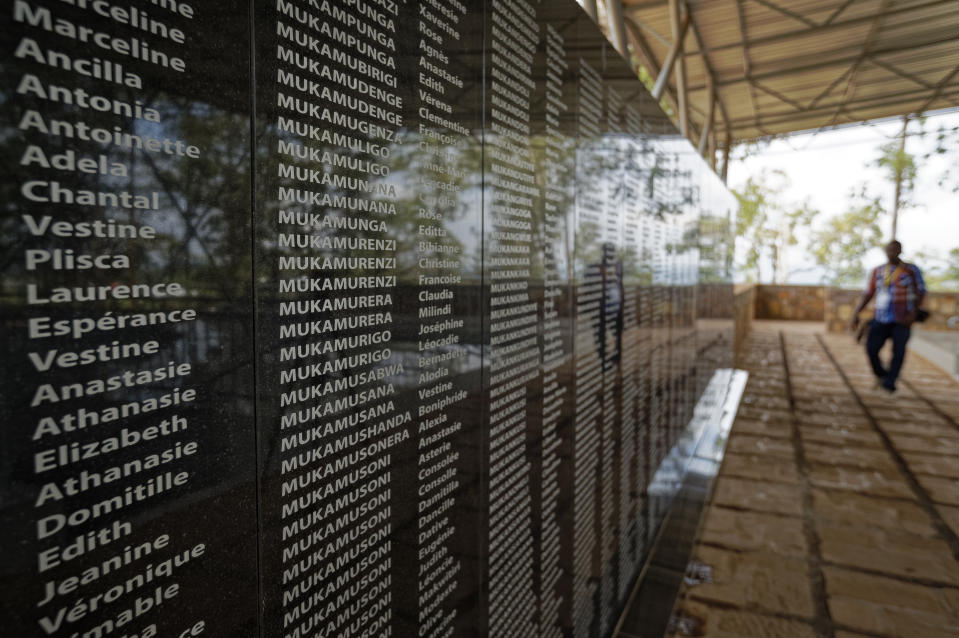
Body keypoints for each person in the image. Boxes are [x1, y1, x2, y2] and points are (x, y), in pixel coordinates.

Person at [849, 240, 926, 393]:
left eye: (895, 250)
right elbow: (868, 293)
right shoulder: (878, 271)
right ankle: (883, 375)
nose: (892, 252)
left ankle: (889, 383)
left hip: (902, 318)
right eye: (889, 250)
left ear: (900, 251)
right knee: (871, 348)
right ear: (885, 251)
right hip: (881, 317)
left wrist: (913, 313)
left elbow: (921, 291)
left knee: (898, 352)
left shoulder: (911, 270)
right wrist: (856, 313)